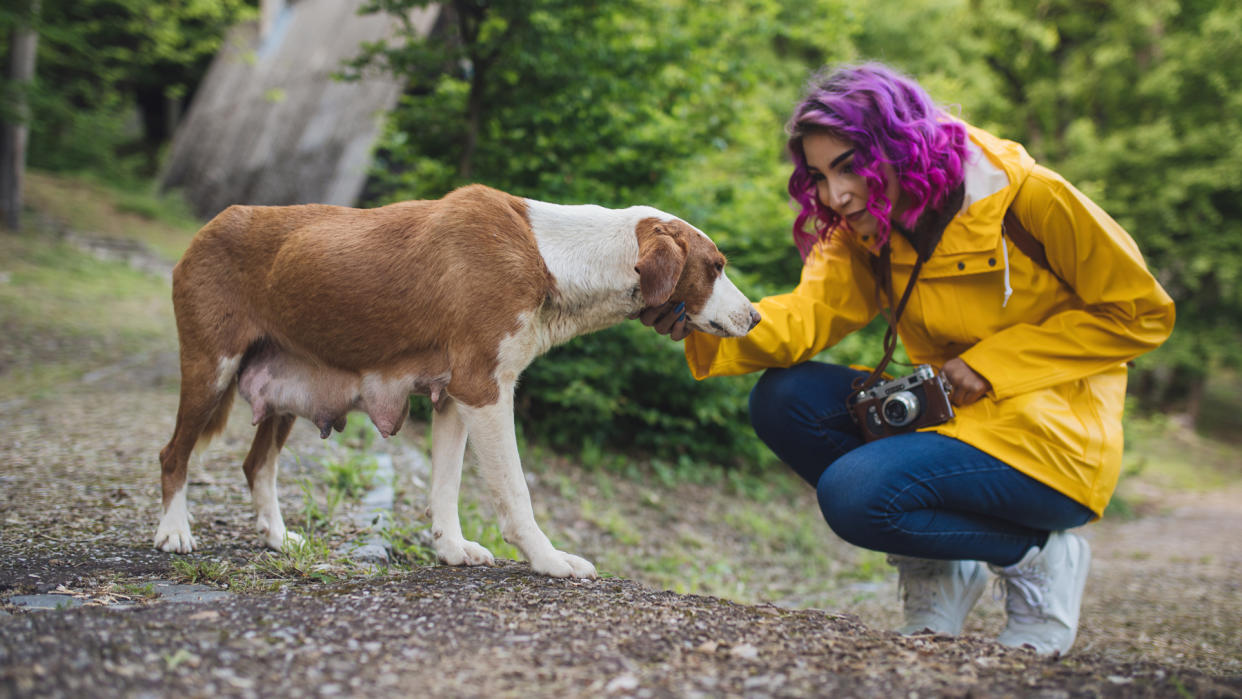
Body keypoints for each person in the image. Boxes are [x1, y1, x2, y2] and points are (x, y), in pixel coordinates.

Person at [636, 62, 1175, 655]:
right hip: (953, 419)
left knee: (856, 495)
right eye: (819, 175)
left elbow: (1141, 311)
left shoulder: (1029, 199)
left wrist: (996, 364)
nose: (835, 194)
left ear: (902, 147)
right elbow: (801, 320)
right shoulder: (866, 231)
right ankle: (940, 566)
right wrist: (702, 316)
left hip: (1052, 441)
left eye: (850, 167)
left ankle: (1038, 556)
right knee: (783, 398)